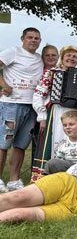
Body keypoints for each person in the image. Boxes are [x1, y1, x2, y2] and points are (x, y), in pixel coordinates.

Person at [32, 46, 77, 180]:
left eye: (75, 56)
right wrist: (42, 116)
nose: (71, 58)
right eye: (68, 55)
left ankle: (73, 177)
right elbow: (38, 94)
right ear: (62, 57)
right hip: (57, 113)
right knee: (55, 144)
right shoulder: (51, 73)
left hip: (76, 115)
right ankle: (48, 178)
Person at [0, 27, 44, 192]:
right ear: (22, 39)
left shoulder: (39, 58)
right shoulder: (13, 52)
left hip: (31, 106)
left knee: (21, 145)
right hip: (11, 104)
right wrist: (4, 85)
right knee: (3, 143)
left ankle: (14, 180)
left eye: (36, 38)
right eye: (30, 37)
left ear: (40, 41)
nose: (33, 40)